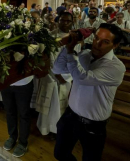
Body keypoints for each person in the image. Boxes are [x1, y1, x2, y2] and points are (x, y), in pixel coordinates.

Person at [53, 24, 125, 161]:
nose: (97, 44)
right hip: (70, 115)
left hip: (93, 124)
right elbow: (57, 68)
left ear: (115, 45)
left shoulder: (116, 67)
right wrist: (68, 47)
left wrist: (70, 52)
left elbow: (82, 78)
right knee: (60, 154)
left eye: (105, 41)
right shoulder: (85, 54)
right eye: (96, 38)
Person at [36, 12, 74, 137]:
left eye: (68, 21)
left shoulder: (75, 38)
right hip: (50, 75)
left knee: (61, 106)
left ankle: (58, 130)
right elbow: (47, 56)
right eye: (62, 20)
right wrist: (54, 73)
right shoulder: (51, 36)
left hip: (66, 77)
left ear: (72, 22)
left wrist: (66, 77)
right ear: (58, 21)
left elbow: (76, 59)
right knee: (50, 104)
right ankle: (45, 128)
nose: (65, 23)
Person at [1, 75, 34, 158]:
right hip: (6, 81)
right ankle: (12, 136)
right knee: (9, 111)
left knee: (24, 114)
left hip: (23, 82)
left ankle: (23, 142)